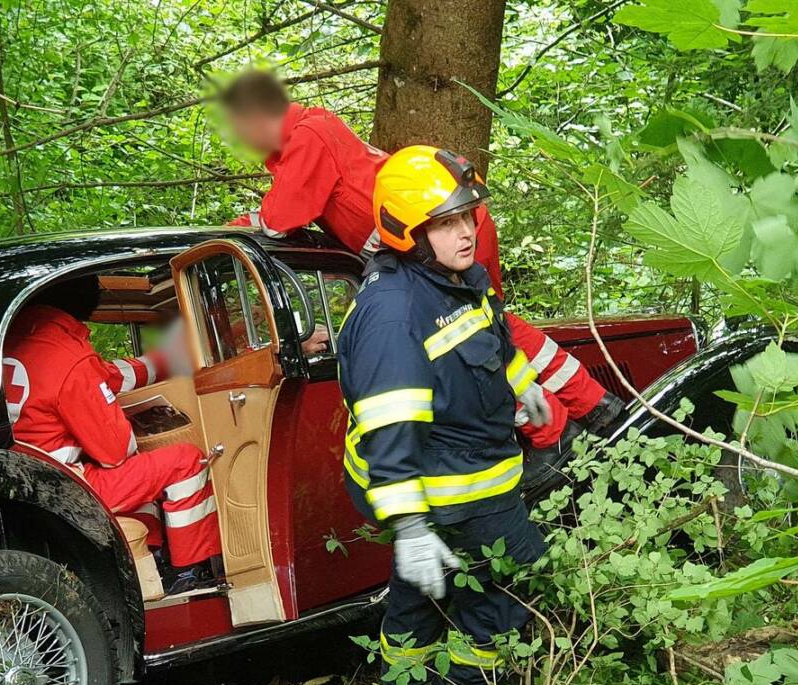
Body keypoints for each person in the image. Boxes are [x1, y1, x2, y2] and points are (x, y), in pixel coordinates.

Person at [219, 69, 623, 434]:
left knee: (479, 327)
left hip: (442, 231)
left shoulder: (308, 137)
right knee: (484, 324)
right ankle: (583, 409)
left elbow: (278, 220)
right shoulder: (312, 130)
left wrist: (239, 227)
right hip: (438, 232)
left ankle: (562, 425)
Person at [339, 145, 563, 685]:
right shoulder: (394, 316)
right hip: (444, 483)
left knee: (425, 584)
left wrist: (522, 383)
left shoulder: (456, 276)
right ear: (408, 231)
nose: (465, 232)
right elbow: (390, 434)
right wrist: (410, 527)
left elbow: (490, 342)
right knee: (513, 583)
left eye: (467, 215)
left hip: (458, 467)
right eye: (445, 223)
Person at [1, 277, 221, 592]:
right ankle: (191, 573)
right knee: (186, 462)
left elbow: (108, 376)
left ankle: (150, 562)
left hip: (28, 482)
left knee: (141, 478)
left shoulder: (16, 339)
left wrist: (169, 358)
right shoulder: (68, 355)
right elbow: (117, 452)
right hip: (69, 487)